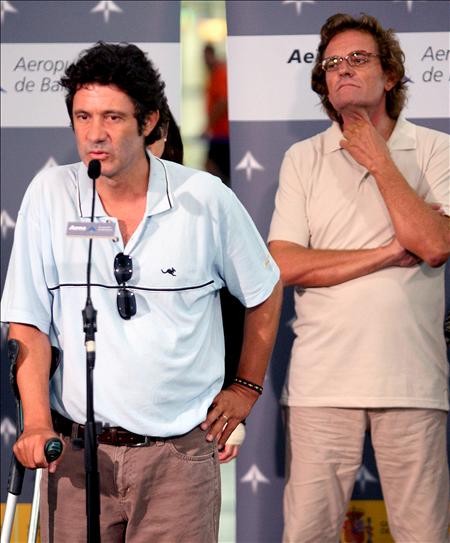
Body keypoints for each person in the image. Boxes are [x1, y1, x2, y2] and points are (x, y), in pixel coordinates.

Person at [1, 41, 282, 542]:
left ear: (148, 120)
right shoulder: (49, 195)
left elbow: (265, 288)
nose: (95, 134)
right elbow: (28, 321)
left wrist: (246, 387)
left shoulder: (205, 198)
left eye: (112, 117)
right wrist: (37, 422)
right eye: (83, 117)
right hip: (75, 456)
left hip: (178, 459)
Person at [268, 13, 449, 543]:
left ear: (390, 75)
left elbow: (435, 244)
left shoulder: (436, 149)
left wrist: (380, 161)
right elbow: (284, 264)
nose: (343, 69)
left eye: (358, 59)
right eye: (332, 64)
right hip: (321, 383)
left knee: (425, 535)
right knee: (307, 534)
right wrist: (389, 252)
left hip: (412, 380)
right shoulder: (302, 158)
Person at [148, 104, 245, 463]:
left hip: (186, 428)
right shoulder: (81, 212)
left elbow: (236, 310)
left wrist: (238, 398)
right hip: (93, 431)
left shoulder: (202, 207)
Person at [203, 43, 230, 184]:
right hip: (219, 133)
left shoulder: (219, 73)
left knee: (212, 167)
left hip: (223, 133)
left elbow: (222, 102)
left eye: (206, 56)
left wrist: (208, 125)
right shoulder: (214, 74)